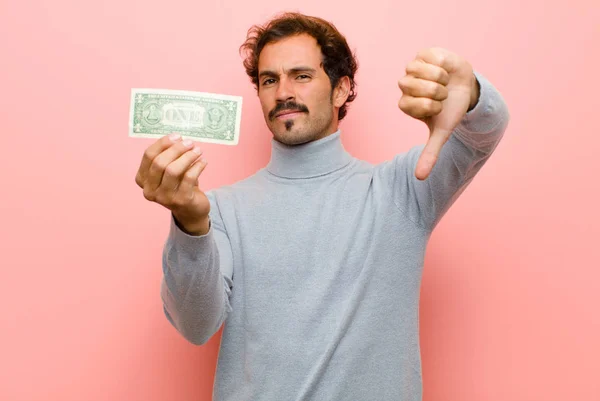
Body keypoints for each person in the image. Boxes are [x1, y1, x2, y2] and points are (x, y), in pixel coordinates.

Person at [134, 11, 509, 401]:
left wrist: (474, 94)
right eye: (269, 80)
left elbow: (482, 135)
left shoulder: (401, 191)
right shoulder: (219, 211)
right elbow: (195, 326)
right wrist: (190, 225)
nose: (282, 93)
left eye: (301, 75)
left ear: (341, 90)